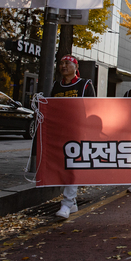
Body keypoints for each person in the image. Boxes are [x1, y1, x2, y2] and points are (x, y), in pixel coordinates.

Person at [52, 55, 96, 219]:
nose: (63, 66)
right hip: (59, 133)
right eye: (61, 63)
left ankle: (67, 203)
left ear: (76, 67)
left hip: (77, 133)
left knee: (72, 167)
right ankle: (73, 203)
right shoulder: (56, 85)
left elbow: (92, 109)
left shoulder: (85, 84)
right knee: (63, 167)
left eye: (67, 63)